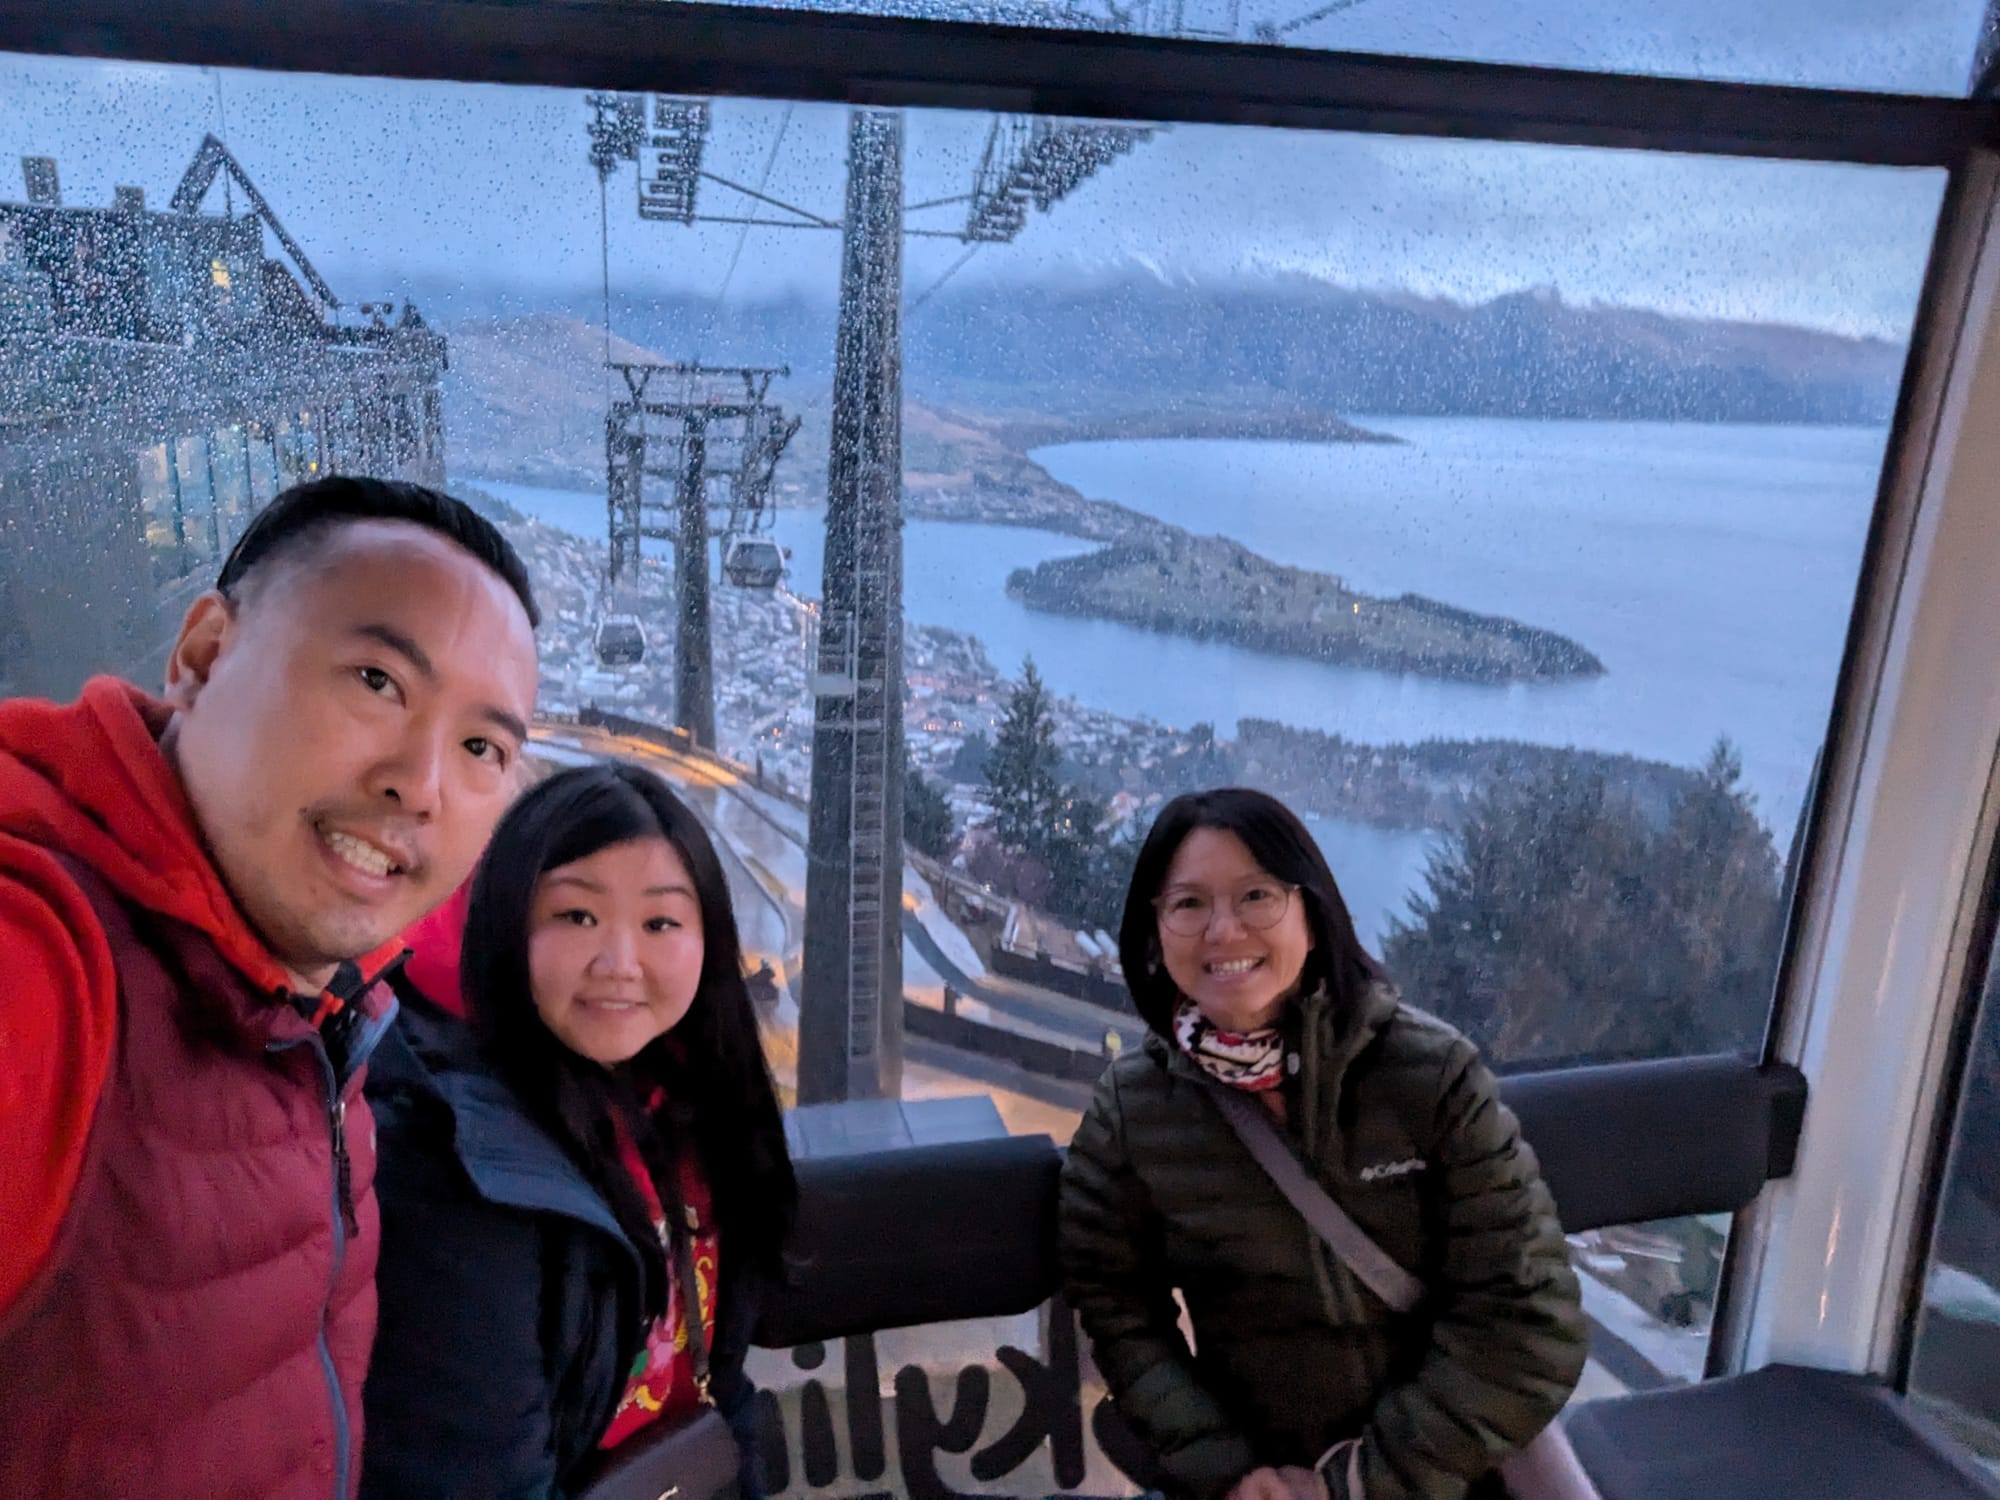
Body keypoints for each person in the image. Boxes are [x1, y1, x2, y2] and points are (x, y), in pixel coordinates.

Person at [0, 476, 542, 1497]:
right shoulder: (46, 963)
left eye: (481, 746)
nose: (420, 784)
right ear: (204, 655)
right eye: (377, 680)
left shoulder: (329, 1010)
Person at [1059, 788, 1586, 1500]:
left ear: (1312, 912)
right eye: (1188, 904)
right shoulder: (1132, 1112)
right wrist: (1227, 1469)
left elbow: (1530, 1320)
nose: (1223, 930)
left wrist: (1355, 1485)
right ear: (1154, 932)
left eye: (1256, 896)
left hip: (1448, 1475)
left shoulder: (1430, 1076)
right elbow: (1117, 1309)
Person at [360, 762, 797, 1499]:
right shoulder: (455, 1172)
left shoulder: (693, 1115)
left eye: (660, 923)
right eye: (576, 917)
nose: (619, 964)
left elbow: (721, 1393)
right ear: (507, 926)